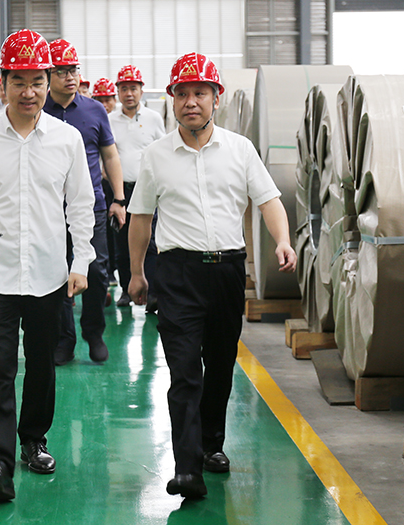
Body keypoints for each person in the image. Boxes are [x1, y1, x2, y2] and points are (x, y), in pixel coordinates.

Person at [127, 52, 297, 500]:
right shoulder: (155, 156)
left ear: (216, 98)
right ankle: (187, 469)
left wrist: (282, 240)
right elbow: (141, 218)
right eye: (182, 94)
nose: (191, 102)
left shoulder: (240, 149)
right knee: (185, 371)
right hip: (177, 275)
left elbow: (268, 200)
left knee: (220, 366)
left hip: (226, 272)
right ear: (172, 100)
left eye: (200, 93)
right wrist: (137, 273)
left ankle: (210, 444)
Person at [0, 29, 95, 502]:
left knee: (43, 365)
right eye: (19, 82)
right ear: (2, 82)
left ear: (49, 82)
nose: (29, 92)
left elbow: (80, 205)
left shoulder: (67, 140)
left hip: (48, 274)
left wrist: (82, 259)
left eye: (38, 81)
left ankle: (33, 440)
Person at [45, 38, 127, 365]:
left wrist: (118, 199)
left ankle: (93, 332)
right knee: (56, 274)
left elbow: (110, 155)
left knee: (95, 270)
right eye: (62, 71)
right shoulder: (38, 110)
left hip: (91, 206)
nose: (70, 77)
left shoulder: (94, 110)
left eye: (74, 70)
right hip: (49, 210)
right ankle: (63, 339)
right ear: (48, 74)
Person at [109, 65, 165, 308]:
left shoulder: (153, 119)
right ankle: (125, 290)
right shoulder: (110, 120)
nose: (129, 93)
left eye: (133, 88)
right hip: (120, 192)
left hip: (148, 190)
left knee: (149, 241)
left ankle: (152, 293)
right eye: (124, 89)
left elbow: (162, 152)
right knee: (122, 244)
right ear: (118, 92)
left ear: (141, 90)